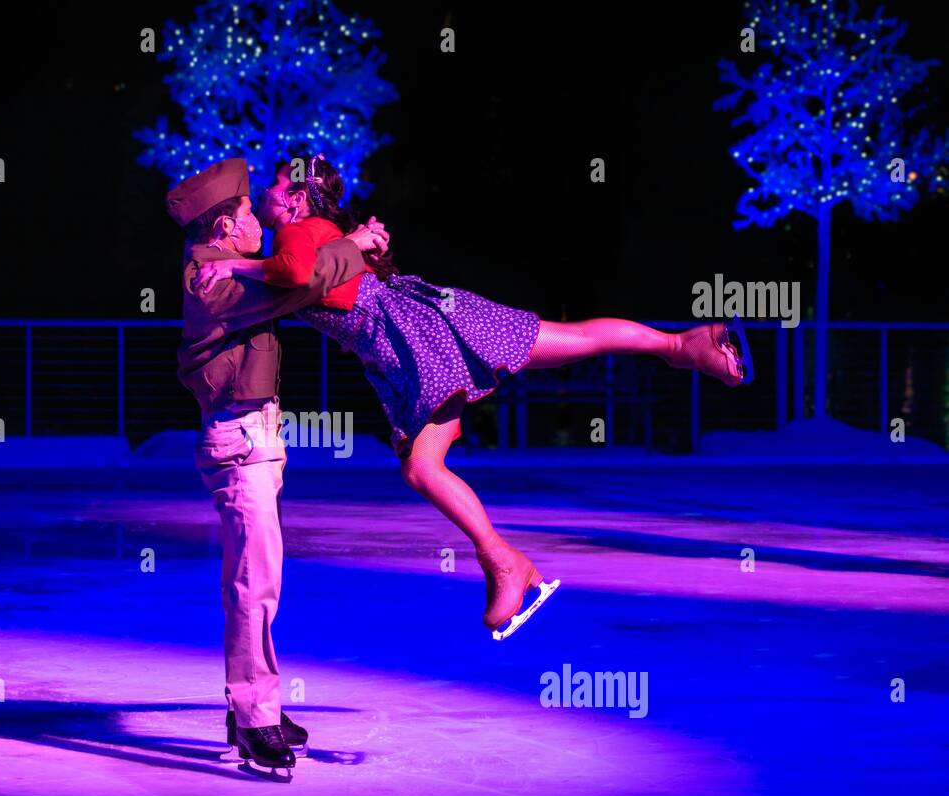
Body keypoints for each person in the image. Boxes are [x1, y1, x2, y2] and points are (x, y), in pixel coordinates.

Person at [194, 153, 753, 640]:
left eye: (270, 186)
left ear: (293, 197)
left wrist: (233, 261)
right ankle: (504, 558)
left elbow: (292, 273)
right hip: (418, 332)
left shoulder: (299, 230)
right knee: (428, 461)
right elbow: (302, 282)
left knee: (438, 453)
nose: (261, 196)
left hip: (423, 334)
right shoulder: (318, 231)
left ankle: (683, 343)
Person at [167, 157, 389, 778]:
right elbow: (305, 283)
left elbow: (303, 277)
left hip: (257, 437)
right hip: (239, 442)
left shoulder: (222, 268)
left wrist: (348, 247)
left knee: (261, 585)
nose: (254, 222)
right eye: (243, 215)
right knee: (252, 586)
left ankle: (253, 706)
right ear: (222, 229)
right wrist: (355, 244)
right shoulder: (210, 279)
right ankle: (253, 714)